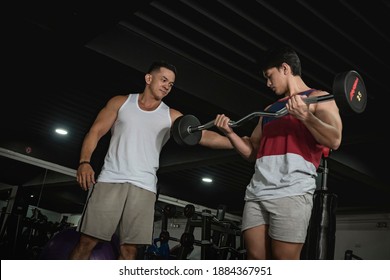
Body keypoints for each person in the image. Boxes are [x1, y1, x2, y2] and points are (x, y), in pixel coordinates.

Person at [69, 61, 232, 260]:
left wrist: (237, 141)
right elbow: (95, 132)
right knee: (87, 242)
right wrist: (84, 162)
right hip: (111, 179)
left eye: (171, 84)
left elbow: (204, 136)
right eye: (163, 80)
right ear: (148, 78)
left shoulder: (171, 116)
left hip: (144, 187)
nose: (167, 86)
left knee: (129, 251)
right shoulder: (121, 102)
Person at [213, 45, 343, 260]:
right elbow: (252, 152)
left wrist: (305, 117)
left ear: (284, 68)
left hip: (291, 191)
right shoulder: (270, 110)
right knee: (255, 262)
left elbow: (335, 139)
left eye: (269, 76)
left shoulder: (319, 98)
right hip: (257, 192)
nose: (268, 83)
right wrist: (229, 133)